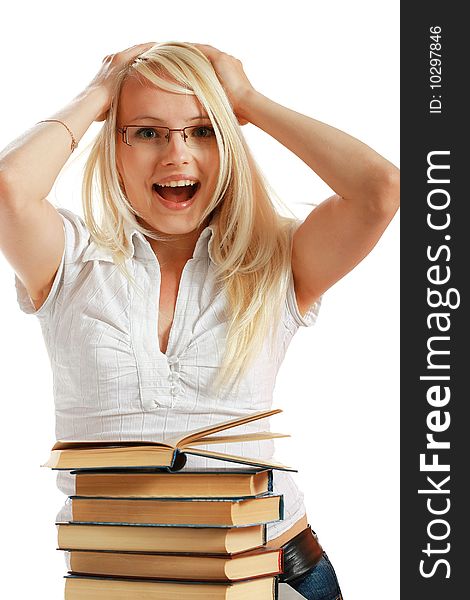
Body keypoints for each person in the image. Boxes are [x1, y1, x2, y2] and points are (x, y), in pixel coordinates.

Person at [0, 41, 399, 599]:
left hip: (272, 572)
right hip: (124, 581)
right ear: (112, 144)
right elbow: (9, 189)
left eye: (203, 130)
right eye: (146, 131)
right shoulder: (69, 260)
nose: (176, 156)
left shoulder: (277, 259)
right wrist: (98, 94)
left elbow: (379, 190)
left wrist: (247, 101)